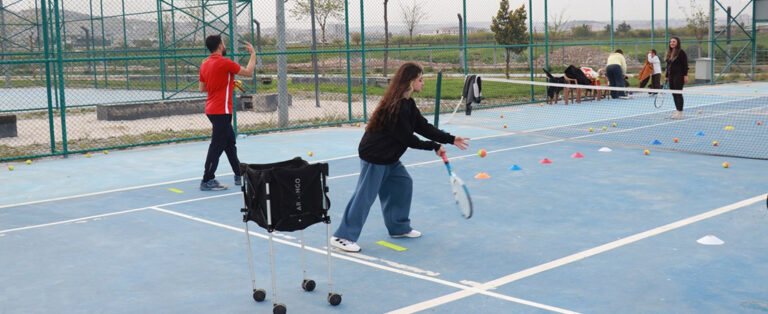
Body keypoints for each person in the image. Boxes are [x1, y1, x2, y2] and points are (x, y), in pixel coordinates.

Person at [330, 62, 470, 252]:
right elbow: (408, 139)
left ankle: (398, 228)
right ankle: (342, 236)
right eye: (420, 79)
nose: (423, 83)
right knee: (365, 196)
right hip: (375, 156)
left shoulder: (408, 104)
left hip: (389, 157)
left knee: (403, 184)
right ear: (410, 82)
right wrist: (434, 146)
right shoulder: (396, 106)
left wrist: (451, 139)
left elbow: (423, 127)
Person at [198, 35, 256, 191]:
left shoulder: (204, 64)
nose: (224, 46)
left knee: (229, 143)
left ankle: (239, 175)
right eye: (223, 43)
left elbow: (202, 88)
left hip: (211, 109)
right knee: (217, 146)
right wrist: (253, 54)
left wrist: (228, 83)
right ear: (219, 46)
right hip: (221, 111)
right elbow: (249, 72)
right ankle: (207, 179)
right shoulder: (224, 62)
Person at [664, 37, 689, 119]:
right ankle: (677, 111)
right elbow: (668, 66)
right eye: (670, 42)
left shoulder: (681, 52)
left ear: (677, 43)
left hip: (679, 76)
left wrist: (685, 76)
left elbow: (685, 65)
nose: (672, 43)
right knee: (674, 93)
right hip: (671, 76)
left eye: (674, 42)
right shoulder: (669, 52)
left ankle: (680, 112)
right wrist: (667, 76)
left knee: (678, 93)